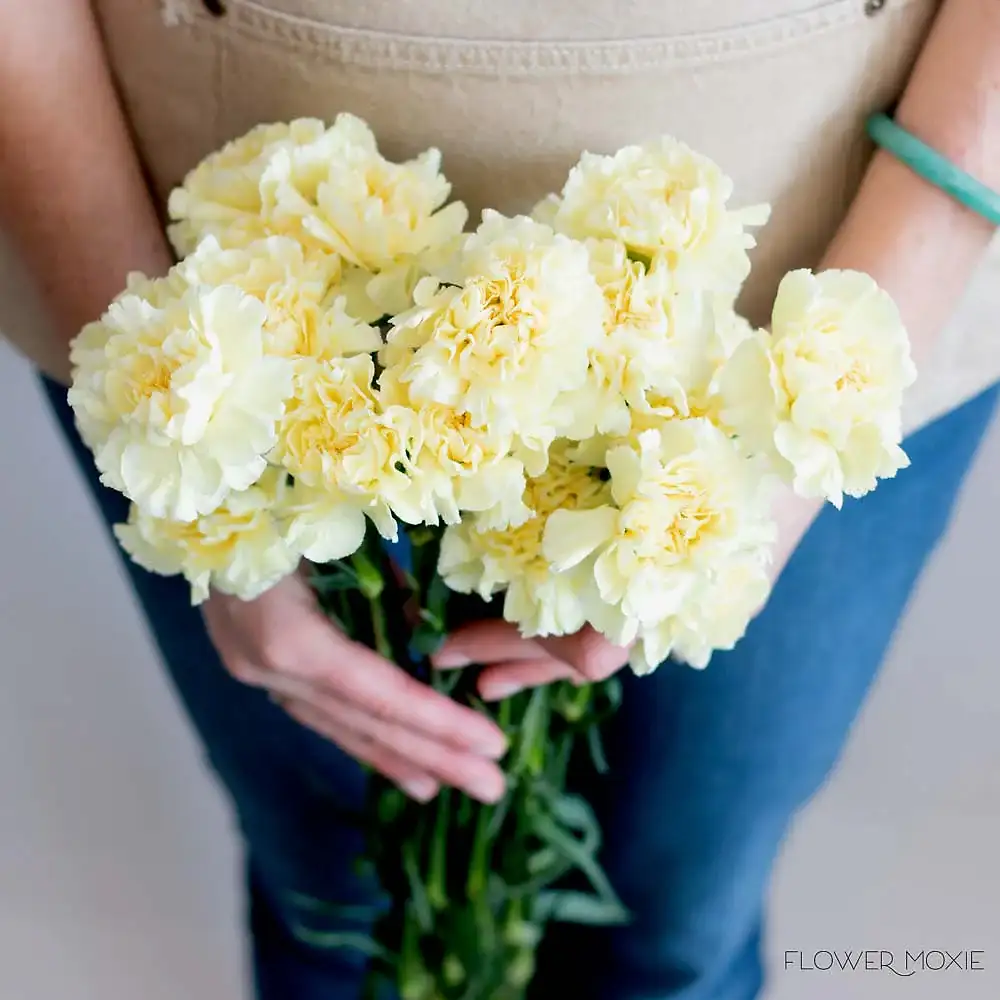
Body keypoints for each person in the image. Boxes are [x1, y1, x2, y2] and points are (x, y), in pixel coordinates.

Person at [2, 1, 998, 997]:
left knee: (674, 919)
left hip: (843, 234)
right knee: (335, 899)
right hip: (217, 263)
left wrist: (808, 414)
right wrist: (172, 412)